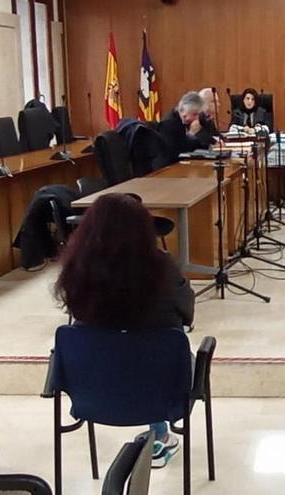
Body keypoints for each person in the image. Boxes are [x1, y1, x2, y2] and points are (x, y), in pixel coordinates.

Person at [54, 193, 195, 469]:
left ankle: (158, 434)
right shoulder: (162, 267)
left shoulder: (77, 271)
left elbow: (77, 317)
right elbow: (187, 312)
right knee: (158, 351)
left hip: (93, 386)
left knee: (113, 350)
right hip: (160, 387)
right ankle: (160, 433)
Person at [157, 91, 203, 156]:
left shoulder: (185, 122)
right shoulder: (170, 124)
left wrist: (211, 144)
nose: (197, 118)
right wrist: (191, 134)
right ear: (183, 111)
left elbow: (198, 143)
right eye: (195, 114)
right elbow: (176, 150)